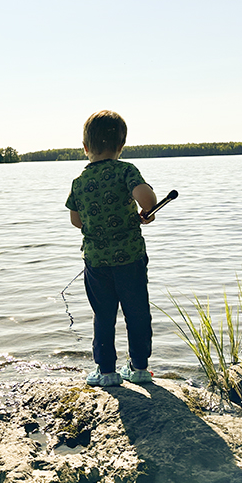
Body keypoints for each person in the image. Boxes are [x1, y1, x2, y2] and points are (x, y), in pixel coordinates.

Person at [65, 110, 157, 387]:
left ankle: (106, 372)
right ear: (121, 145)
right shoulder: (126, 171)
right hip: (130, 258)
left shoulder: (79, 182)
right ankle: (139, 368)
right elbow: (147, 200)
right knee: (137, 313)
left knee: (103, 316)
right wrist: (147, 211)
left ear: (85, 147)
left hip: (97, 262)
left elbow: (76, 221)